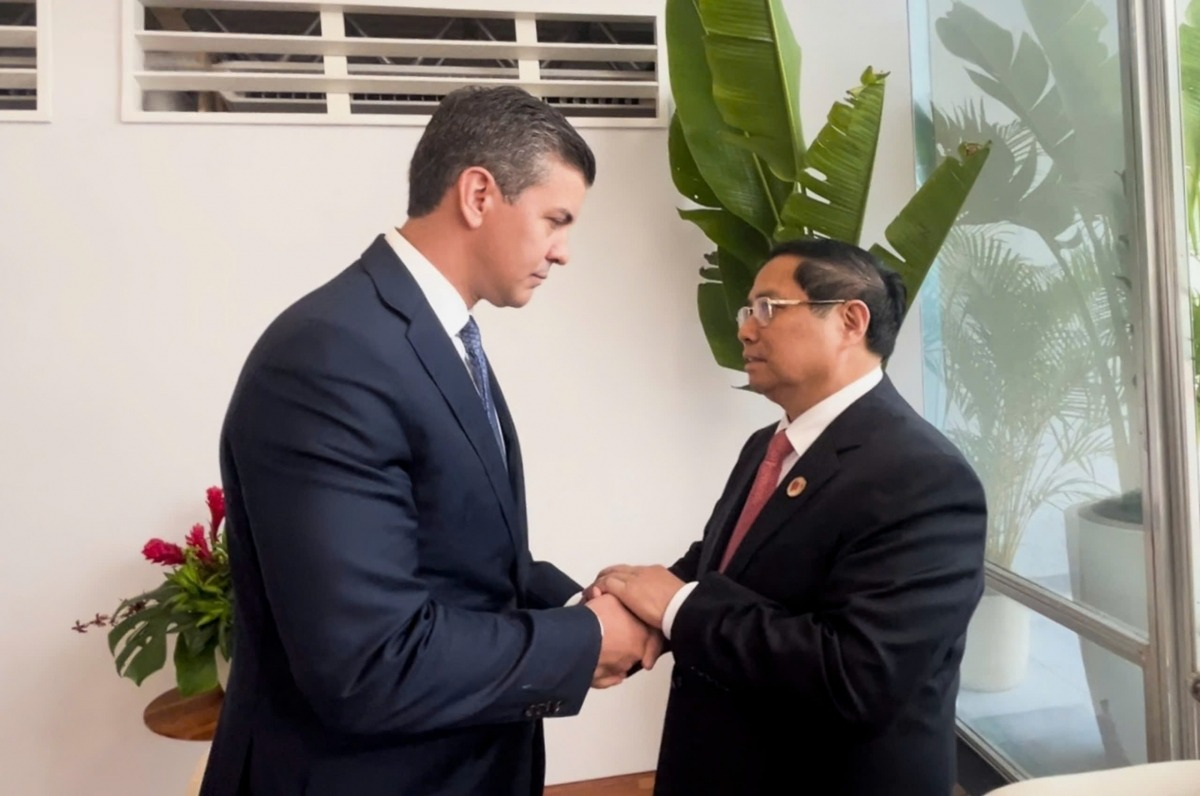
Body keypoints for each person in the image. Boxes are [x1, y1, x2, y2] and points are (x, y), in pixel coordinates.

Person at [200, 85, 660, 796]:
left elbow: (460, 558)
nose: (564, 252)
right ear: (478, 195)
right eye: (555, 220)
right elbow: (370, 661)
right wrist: (589, 638)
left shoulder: (429, 335)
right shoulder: (332, 356)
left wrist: (584, 602)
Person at [591, 239, 988, 796]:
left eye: (768, 308)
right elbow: (724, 564)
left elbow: (857, 675)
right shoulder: (768, 445)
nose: (746, 330)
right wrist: (628, 604)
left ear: (850, 320)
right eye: (747, 311)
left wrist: (677, 606)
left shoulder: (924, 475)